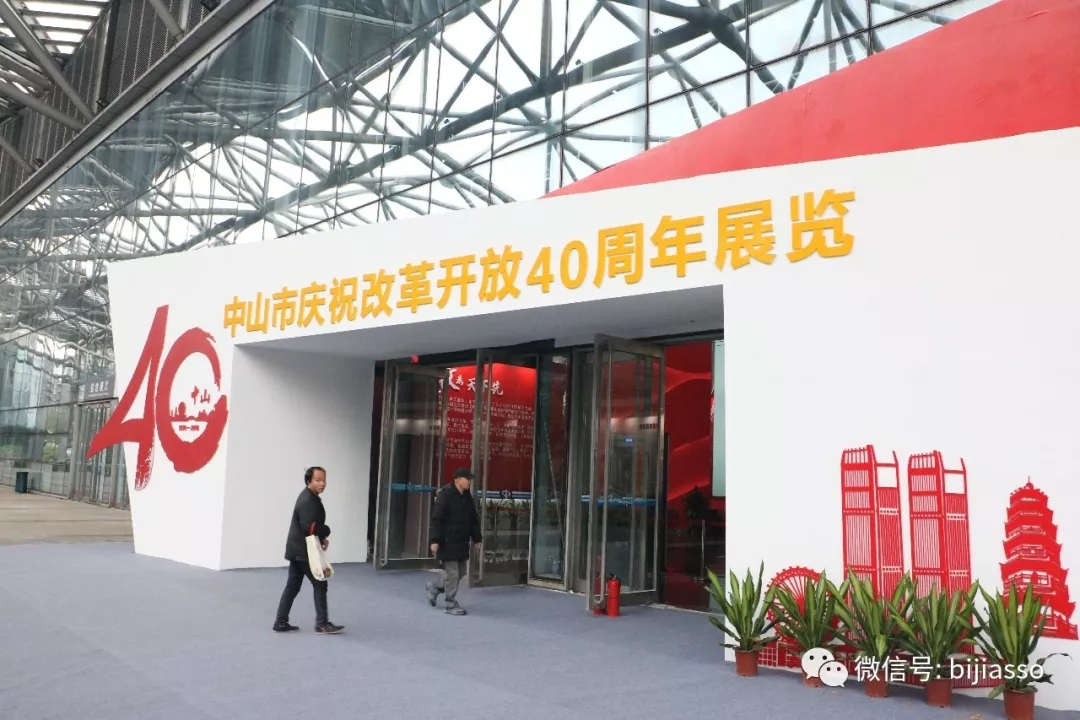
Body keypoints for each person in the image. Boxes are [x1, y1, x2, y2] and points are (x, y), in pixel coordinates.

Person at [274, 466, 344, 634]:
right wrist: (326, 531)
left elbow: (310, 527)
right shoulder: (308, 501)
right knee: (320, 583)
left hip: (297, 549)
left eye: (323, 480)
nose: (322, 483)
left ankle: (280, 622)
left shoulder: (309, 497)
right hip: (304, 551)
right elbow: (310, 527)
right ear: (308, 481)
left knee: (292, 587)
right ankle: (322, 624)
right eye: (318, 480)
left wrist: (322, 537)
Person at [427, 467, 483, 616]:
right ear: (457, 480)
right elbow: (436, 520)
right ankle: (450, 604)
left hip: (461, 542)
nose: (469, 482)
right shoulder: (445, 495)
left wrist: (477, 537)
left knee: (461, 572)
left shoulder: (466, 497)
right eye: (467, 479)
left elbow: (473, 519)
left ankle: (435, 586)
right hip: (448, 541)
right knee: (453, 574)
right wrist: (434, 540)